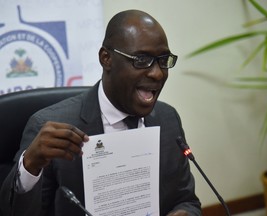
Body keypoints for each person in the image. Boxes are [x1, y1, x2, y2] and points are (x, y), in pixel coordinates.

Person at [0, 10, 201, 216]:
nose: (157, 73)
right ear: (106, 58)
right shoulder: (48, 125)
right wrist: (30, 165)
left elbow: (187, 201)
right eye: (141, 60)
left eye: (163, 59)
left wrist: (183, 213)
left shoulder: (168, 119)